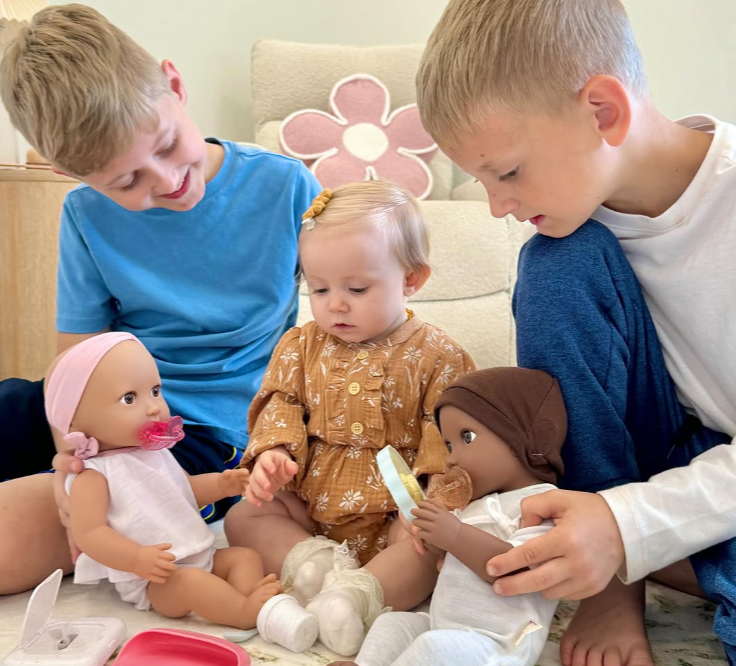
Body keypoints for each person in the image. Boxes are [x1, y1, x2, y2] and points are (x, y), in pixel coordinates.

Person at [416, 1, 736, 665]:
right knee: (557, 262)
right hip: (663, 458)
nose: (498, 206)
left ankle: (656, 555)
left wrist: (631, 530)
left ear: (603, 111)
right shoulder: (569, 236)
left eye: (506, 172)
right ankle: (614, 575)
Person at [0, 3, 320, 595]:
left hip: (206, 428)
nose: (165, 181)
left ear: (175, 87)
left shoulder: (286, 186)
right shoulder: (84, 214)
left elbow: (341, 322)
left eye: (169, 145)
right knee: (12, 403)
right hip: (107, 405)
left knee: (20, 531)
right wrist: (69, 457)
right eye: (126, 183)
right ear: (77, 178)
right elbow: (80, 365)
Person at [224, 181, 477, 655]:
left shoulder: (439, 355)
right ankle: (313, 565)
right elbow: (281, 404)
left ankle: (354, 600)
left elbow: (448, 440)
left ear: (411, 279)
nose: (334, 303)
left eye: (356, 288)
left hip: (393, 512)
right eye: (318, 288)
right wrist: (274, 454)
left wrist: (438, 501)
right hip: (311, 507)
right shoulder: (301, 345)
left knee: (427, 546)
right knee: (245, 516)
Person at [330, 366, 568, 666]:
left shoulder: (542, 504)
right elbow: (454, 558)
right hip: (445, 624)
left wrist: (455, 535)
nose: (452, 457)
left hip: (497, 643)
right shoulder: (474, 504)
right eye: (448, 445)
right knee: (394, 624)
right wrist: (433, 540)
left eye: (466, 437)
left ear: (525, 439)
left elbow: (520, 572)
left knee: (434, 648)